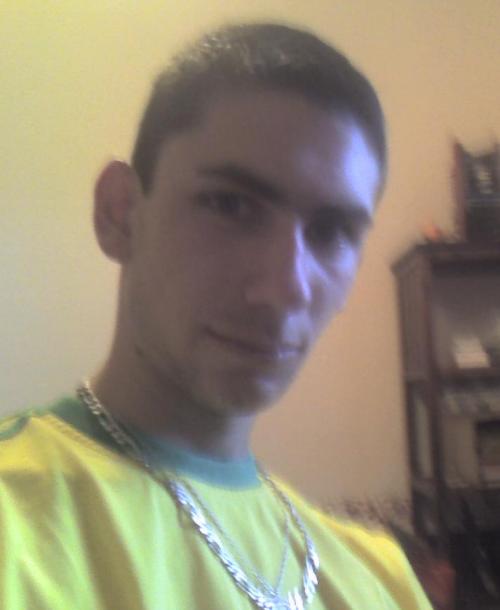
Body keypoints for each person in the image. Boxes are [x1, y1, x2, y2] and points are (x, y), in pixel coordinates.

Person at [0, 22, 432, 610]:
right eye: (231, 205)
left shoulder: (380, 579)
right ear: (120, 213)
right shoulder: (17, 514)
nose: (285, 289)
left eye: (332, 232)